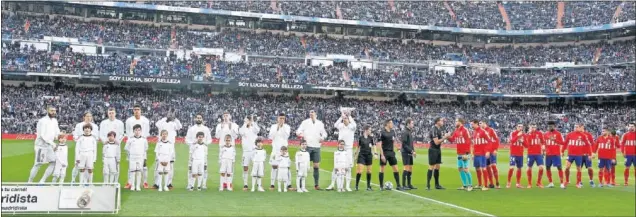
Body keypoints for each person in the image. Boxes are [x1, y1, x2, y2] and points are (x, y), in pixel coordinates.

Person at [296, 110, 327, 190]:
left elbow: (324, 133)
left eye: (313, 113)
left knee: (316, 166)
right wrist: (300, 134)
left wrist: (322, 137)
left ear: (316, 114)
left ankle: (316, 185)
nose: (311, 114)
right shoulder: (305, 122)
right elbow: (298, 131)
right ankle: (300, 185)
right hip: (308, 146)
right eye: (310, 113)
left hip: (316, 146)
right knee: (304, 165)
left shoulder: (320, 123)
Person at [28, 106, 60, 183]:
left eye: (54, 111)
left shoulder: (55, 121)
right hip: (41, 146)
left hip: (49, 145)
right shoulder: (42, 121)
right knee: (38, 164)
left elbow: (57, 131)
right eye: (52, 110)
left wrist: (59, 136)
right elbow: (42, 135)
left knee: (53, 162)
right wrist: (53, 143)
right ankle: (30, 181)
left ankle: (42, 180)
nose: (53, 112)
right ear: (47, 111)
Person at [328, 113, 356, 191]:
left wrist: (349, 115)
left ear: (348, 120)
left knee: (348, 168)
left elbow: (355, 124)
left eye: (345, 119)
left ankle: (347, 186)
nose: (344, 120)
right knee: (336, 167)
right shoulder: (340, 125)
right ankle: (332, 184)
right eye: (343, 119)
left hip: (348, 149)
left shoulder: (351, 127)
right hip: (340, 148)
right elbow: (335, 124)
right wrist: (341, 116)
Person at [125, 105, 150, 189]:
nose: (136, 111)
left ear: (141, 110)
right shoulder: (129, 120)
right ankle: (130, 182)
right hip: (132, 144)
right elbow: (128, 132)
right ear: (133, 110)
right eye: (135, 109)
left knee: (144, 165)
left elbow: (146, 132)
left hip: (141, 144)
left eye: (138, 109)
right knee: (131, 165)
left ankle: (145, 182)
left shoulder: (145, 120)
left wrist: (141, 139)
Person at [155, 113, 182, 189]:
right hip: (161, 145)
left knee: (170, 166)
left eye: (171, 115)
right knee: (158, 165)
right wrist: (165, 118)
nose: (169, 116)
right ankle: (157, 183)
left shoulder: (173, 123)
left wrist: (175, 118)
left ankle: (169, 183)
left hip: (170, 146)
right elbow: (157, 124)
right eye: (168, 115)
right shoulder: (162, 122)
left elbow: (180, 126)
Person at [71, 112, 99, 185]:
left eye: (90, 116)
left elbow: (96, 137)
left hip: (89, 149)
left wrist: (91, 138)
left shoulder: (95, 126)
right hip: (81, 149)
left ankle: (86, 182)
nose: (89, 118)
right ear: (84, 117)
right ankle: (73, 179)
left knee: (88, 167)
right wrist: (79, 139)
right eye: (87, 116)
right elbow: (75, 135)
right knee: (77, 165)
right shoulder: (79, 125)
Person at [185, 114, 212, 190]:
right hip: (193, 152)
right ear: (195, 119)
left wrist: (204, 143)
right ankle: (190, 184)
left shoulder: (206, 129)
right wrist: (194, 142)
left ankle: (203, 184)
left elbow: (210, 140)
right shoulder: (191, 129)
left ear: (202, 119)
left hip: (203, 152)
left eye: (200, 118)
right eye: (197, 118)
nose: (199, 119)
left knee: (204, 168)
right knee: (190, 168)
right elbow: (186, 140)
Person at [99, 108, 124, 184]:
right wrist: (104, 141)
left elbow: (122, 134)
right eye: (110, 113)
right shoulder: (103, 123)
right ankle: (106, 182)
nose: (111, 114)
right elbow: (101, 134)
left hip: (116, 144)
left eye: (112, 113)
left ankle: (115, 182)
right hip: (107, 144)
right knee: (106, 165)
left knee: (116, 164)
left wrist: (118, 141)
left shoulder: (120, 123)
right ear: (107, 113)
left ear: (115, 113)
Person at [563, 123, 592, 189]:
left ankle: (578, 183)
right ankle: (567, 181)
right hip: (570, 154)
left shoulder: (583, 135)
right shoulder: (569, 134)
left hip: (578, 155)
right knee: (567, 167)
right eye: (575, 127)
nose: (576, 128)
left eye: (577, 127)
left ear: (580, 128)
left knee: (579, 168)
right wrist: (562, 151)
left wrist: (590, 154)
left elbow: (588, 145)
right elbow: (565, 143)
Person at [268, 113, 291, 190]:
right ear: (277, 118)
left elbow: (286, 136)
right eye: (280, 118)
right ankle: (272, 184)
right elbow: (271, 136)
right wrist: (277, 128)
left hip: (284, 150)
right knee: (274, 167)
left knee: (287, 167)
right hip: (275, 149)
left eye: (283, 118)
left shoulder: (287, 127)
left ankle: (288, 184)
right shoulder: (273, 126)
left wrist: (282, 127)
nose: (281, 120)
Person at [449, 118, 472, 191]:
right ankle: (465, 185)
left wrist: (466, 153)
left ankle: (470, 185)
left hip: (465, 153)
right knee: (460, 169)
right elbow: (452, 140)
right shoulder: (456, 131)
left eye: (456, 121)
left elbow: (468, 141)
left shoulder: (465, 130)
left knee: (466, 169)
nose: (455, 122)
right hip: (459, 153)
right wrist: (447, 136)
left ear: (460, 122)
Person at [377, 119, 401, 191]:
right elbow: (379, 144)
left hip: (391, 153)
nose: (392, 124)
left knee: (396, 169)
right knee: (382, 169)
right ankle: (381, 186)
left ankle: (398, 185)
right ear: (387, 124)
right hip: (384, 153)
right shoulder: (382, 132)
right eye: (391, 123)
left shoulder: (393, 132)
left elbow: (394, 142)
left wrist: (398, 149)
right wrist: (382, 155)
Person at [239, 115, 260, 191]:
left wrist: (252, 121)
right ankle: (245, 184)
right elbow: (241, 132)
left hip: (254, 150)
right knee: (245, 167)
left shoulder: (253, 128)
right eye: (247, 120)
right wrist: (245, 123)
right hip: (246, 151)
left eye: (249, 120)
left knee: (256, 167)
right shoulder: (243, 128)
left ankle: (258, 183)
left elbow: (257, 130)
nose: (248, 121)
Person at [125, 124, 148, 191]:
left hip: (140, 157)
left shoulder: (144, 139)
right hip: (132, 157)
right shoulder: (130, 139)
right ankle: (132, 185)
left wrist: (144, 158)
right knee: (132, 171)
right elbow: (127, 148)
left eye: (138, 130)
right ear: (133, 131)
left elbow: (145, 149)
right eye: (136, 130)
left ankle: (138, 186)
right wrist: (129, 156)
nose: (137, 132)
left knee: (139, 171)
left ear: (141, 131)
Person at [428, 117, 449, 190]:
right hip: (433, 149)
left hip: (438, 150)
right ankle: (428, 185)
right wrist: (445, 137)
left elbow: (440, 141)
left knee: (437, 167)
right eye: (441, 120)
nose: (442, 121)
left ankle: (437, 185)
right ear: (437, 122)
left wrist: (445, 138)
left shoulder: (439, 129)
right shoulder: (434, 129)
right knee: (431, 167)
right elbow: (436, 142)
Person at [354, 125, 377, 191]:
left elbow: (374, 145)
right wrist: (355, 155)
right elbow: (358, 147)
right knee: (359, 171)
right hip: (362, 155)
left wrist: (375, 153)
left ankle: (368, 186)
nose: (370, 131)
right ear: (366, 130)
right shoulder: (360, 138)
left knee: (369, 171)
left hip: (369, 155)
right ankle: (356, 186)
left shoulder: (371, 138)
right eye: (370, 130)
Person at [543, 121, 565, 188]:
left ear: (554, 126)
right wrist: (543, 150)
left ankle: (561, 183)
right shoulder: (545, 134)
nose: (550, 127)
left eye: (552, 126)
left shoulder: (558, 134)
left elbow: (563, 143)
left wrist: (555, 140)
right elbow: (543, 143)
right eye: (549, 126)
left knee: (559, 168)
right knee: (547, 168)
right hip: (548, 154)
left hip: (556, 154)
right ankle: (551, 183)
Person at [470, 120, 490, 191]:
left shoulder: (483, 131)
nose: (471, 126)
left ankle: (485, 185)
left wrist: (487, 151)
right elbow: (473, 144)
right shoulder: (474, 132)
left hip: (482, 154)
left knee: (483, 168)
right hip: (476, 154)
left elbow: (489, 141)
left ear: (476, 124)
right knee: (477, 168)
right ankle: (479, 184)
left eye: (472, 124)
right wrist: (472, 153)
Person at [525, 123, 545, 188]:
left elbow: (543, 141)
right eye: (532, 127)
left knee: (541, 167)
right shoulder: (528, 134)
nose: (533, 128)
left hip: (538, 153)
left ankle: (538, 182)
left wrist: (543, 147)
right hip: (530, 154)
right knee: (528, 168)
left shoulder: (540, 133)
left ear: (536, 127)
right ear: (530, 127)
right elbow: (526, 143)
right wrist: (529, 132)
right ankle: (529, 183)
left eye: (534, 127)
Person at [481, 121, 500, 189]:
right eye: (479, 123)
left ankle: (497, 182)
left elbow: (497, 139)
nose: (480, 124)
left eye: (481, 123)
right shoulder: (481, 131)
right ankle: (491, 183)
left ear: (484, 123)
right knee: (487, 168)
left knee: (493, 166)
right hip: (485, 152)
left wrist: (495, 149)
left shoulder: (490, 130)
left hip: (492, 151)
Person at [507, 124, 526, 188]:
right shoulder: (513, 133)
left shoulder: (524, 135)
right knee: (511, 167)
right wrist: (517, 136)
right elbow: (512, 141)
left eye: (521, 127)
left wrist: (522, 141)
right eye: (519, 126)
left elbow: (527, 145)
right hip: (513, 153)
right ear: (516, 127)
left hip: (520, 154)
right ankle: (508, 182)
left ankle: (518, 183)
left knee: (519, 168)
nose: (520, 128)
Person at [400, 118, 416, 190]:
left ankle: (409, 184)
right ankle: (403, 185)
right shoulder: (404, 132)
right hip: (405, 152)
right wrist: (411, 151)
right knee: (406, 168)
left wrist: (413, 151)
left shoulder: (409, 131)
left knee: (410, 168)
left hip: (409, 152)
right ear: (408, 124)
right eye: (412, 123)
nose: (413, 124)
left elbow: (411, 144)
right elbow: (404, 144)